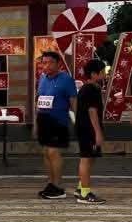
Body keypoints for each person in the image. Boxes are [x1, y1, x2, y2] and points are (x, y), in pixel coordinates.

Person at [34, 51, 76, 200]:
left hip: (58, 121)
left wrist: (79, 121)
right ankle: (50, 182)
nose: (46, 66)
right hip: (43, 120)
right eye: (44, 62)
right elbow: (39, 101)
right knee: (46, 152)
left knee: (53, 152)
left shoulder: (66, 80)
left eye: (50, 62)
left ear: (59, 64)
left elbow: (73, 102)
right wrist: (36, 124)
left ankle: (58, 186)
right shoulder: (42, 78)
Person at [75, 58, 107, 205]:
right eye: (102, 72)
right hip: (88, 129)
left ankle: (81, 187)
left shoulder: (90, 88)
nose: (105, 75)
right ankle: (85, 193)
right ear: (94, 74)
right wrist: (98, 133)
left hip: (85, 128)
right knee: (86, 159)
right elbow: (92, 111)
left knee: (89, 157)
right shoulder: (90, 89)